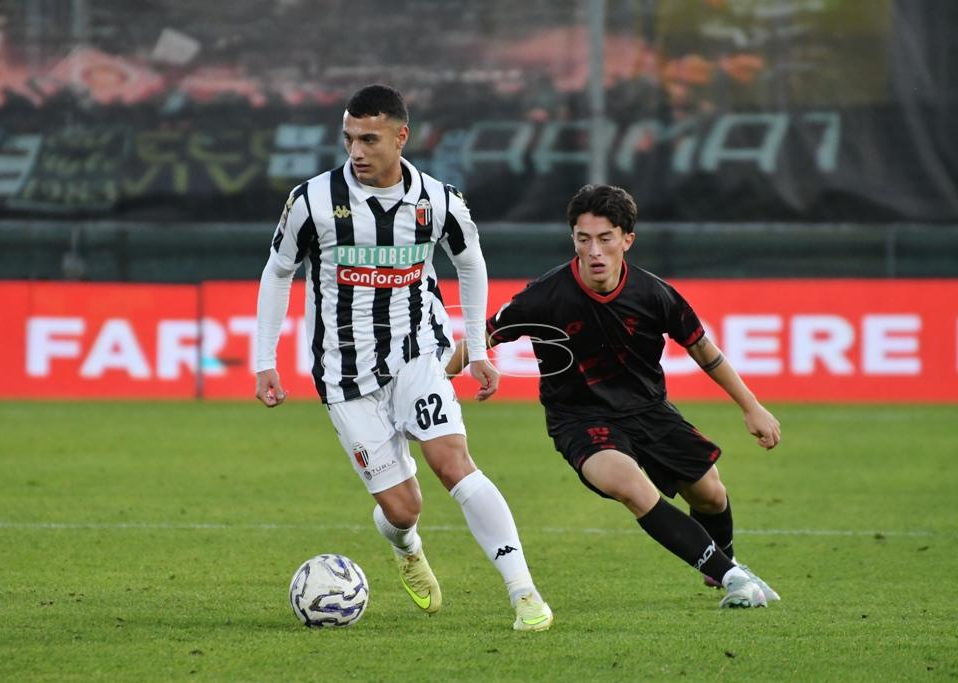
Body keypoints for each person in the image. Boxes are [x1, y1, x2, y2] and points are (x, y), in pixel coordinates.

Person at [254, 84, 552, 631]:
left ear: (401, 137)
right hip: (344, 372)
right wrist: (263, 359)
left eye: (369, 139)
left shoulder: (440, 201)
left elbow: (471, 263)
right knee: (402, 508)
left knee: (454, 464)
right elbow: (278, 272)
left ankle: (524, 594)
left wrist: (476, 348)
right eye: (349, 138)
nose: (356, 151)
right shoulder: (312, 201)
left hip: (418, 352)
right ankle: (407, 546)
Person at [446, 184, 782, 609]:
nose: (594, 251)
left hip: (649, 410)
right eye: (583, 239)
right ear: (573, 239)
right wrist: (440, 379)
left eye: (605, 239)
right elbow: (483, 335)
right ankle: (735, 577)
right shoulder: (544, 296)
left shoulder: (654, 294)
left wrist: (751, 406)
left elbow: (702, 349)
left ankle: (724, 567)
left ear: (627, 240)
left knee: (711, 493)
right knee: (631, 487)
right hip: (580, 420)